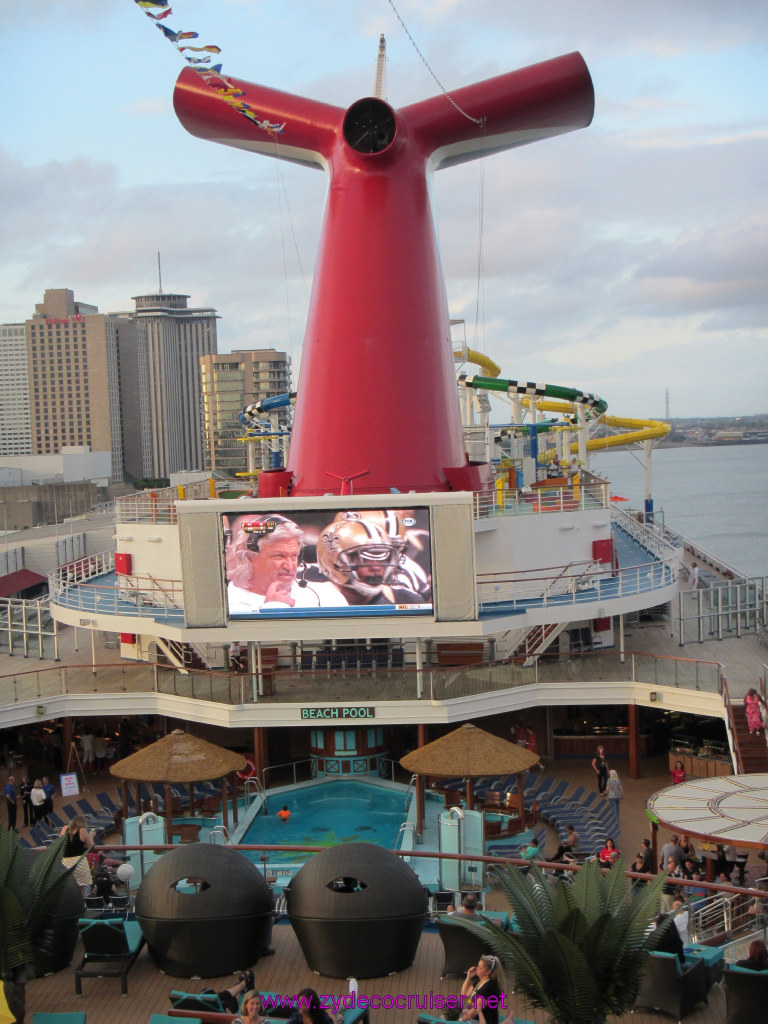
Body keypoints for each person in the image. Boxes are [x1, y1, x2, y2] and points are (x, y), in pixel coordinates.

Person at [226, 515, 345, 613]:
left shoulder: (325, 595)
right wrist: (273, 608)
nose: (289, 566)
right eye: (279, 556)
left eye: (294, 556)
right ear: (249, 556)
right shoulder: (226, 604)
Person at [316, 517, 424, 606]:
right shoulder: (313, 598)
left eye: (382, 558)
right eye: (366, 559)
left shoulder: (407, 599)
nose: (376, 567)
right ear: (336, 562)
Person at [459, 954, 505, 1024]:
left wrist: (459, 1021)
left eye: (480, 968)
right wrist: (469, 976)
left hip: (483, 1021)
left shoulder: (489, 987)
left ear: (488, 971)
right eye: (478, 966)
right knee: (445, 1016)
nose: (476, 968)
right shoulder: (479, 981)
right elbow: (464, 994)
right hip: (474, 1017)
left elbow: (475, 1011)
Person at [60, 814, 95, 895]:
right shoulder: (82, 831)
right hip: (79, 862)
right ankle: (81, 906)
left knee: (67, 888)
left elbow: (61, 844)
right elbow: (91, 847)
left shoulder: (64, 829)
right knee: (81, 889)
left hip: (65, 862)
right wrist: (91, 837)